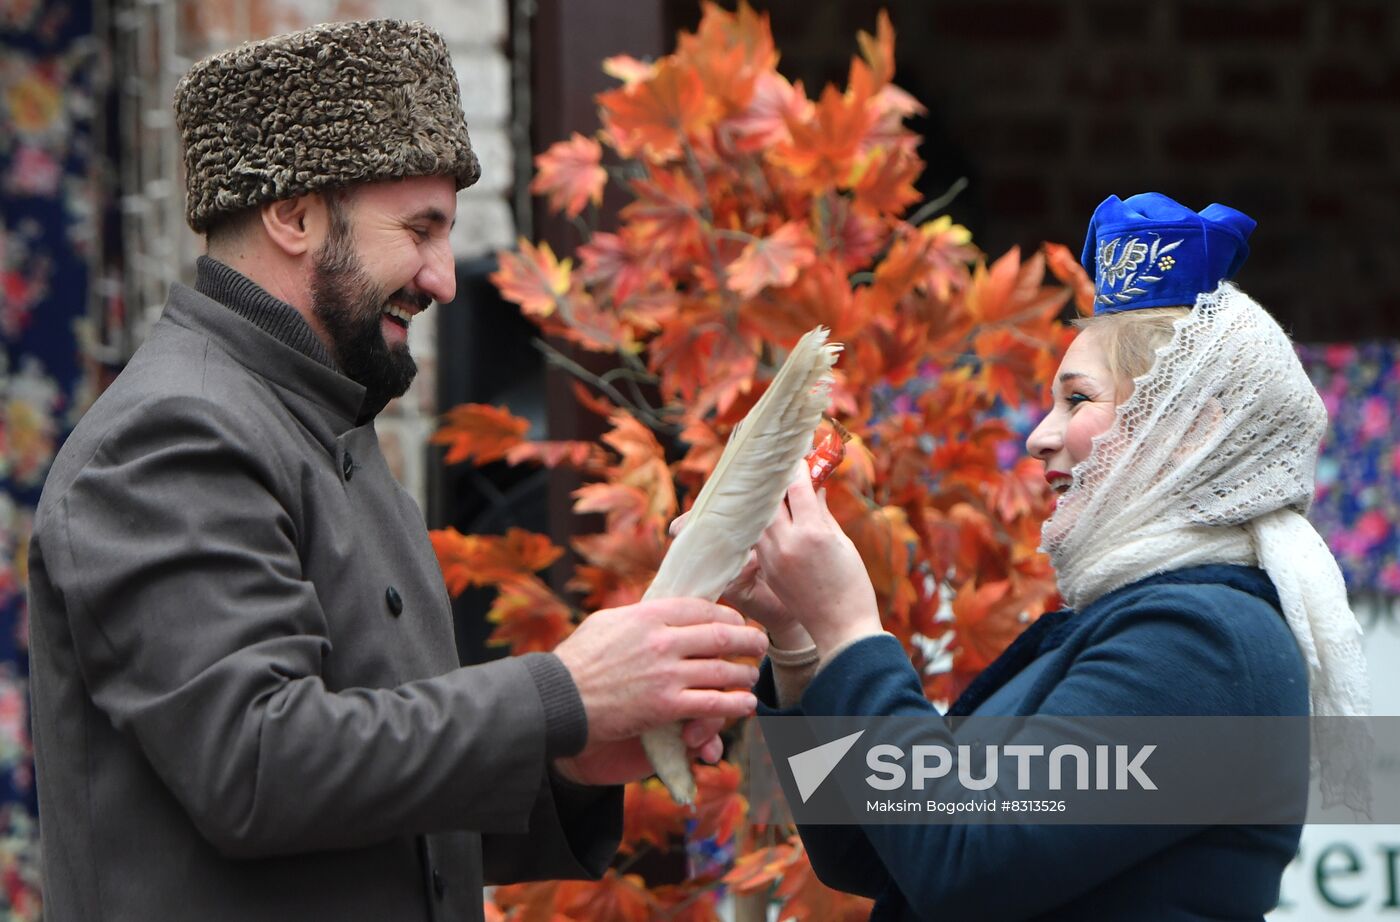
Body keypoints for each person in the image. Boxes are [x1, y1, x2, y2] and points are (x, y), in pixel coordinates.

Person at [26, 20, 766, 922]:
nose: (445, 279)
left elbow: (382, 805)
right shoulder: (171, 436)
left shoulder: (317, 421)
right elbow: (258, 767)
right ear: (293, 214)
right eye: (420, 230)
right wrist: (560, 694)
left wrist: (567, 759)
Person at [728, 193, 1371, 919]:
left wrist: (851, 627)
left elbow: (960, 861)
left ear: (1194, 429)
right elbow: (866, 853)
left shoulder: (1204, 641)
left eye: (1076, 399)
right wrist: (800, 644)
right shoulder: (1146, 622)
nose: (1037, 435)